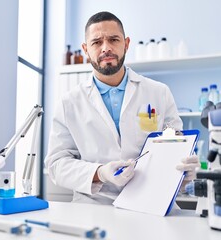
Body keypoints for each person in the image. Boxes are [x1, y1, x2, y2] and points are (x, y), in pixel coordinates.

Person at [45, 11, 199, 204]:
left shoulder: (159, 93)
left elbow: (178, 145)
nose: (106, 48)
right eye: (96, 42)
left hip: (152, 202)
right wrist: (100, 173)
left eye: (113, 39)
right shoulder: (69, 103)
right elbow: (56, 164)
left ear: (126, 44)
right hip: (94, 205)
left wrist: (185, 169)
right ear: (85, 49)